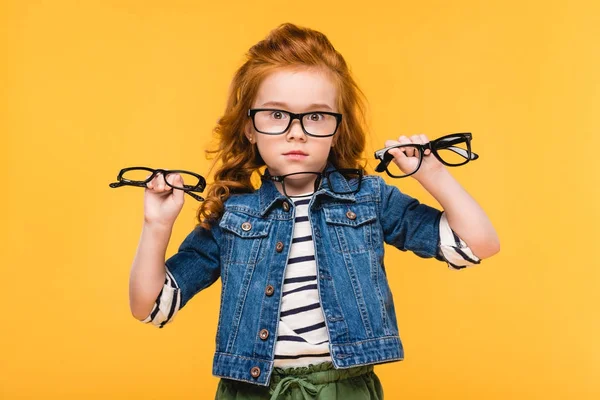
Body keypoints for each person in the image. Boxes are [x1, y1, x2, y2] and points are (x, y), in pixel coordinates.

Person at [128, 22, 500, 400]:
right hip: (251, 391)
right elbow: (150, 306)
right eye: (276, 114)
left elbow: (478, 244)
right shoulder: (233, 215)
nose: (297, 132)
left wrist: (431, 171)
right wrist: (156, 224)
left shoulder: (368, 198)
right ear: (250, 128)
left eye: (317, 116)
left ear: (337, 129)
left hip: (344, 390)